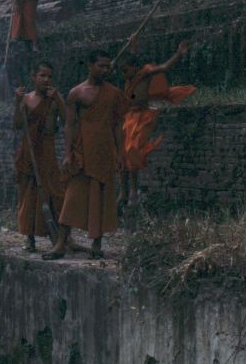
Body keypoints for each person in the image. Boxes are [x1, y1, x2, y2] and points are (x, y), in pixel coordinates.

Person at [44, 50, 125, 260]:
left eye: (108, 66)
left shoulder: (114, 93)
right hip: (82, 150)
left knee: (101, 197)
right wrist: (68, 153)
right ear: (90, 66)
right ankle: (61, 243)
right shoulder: (76, 93)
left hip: (104, 150)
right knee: (72, 196)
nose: (106, 70)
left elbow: (117, 125)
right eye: (101, 66)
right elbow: (70, 125)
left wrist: (120, 153)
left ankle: (97, 245)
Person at [119, 38, 195, 209]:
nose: (124, 75)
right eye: (122, 72)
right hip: (129, 117)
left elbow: (164, 67)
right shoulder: (128, 79)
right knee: (122, 153)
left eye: (126, 71)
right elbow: (132, 56)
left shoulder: (144, 73)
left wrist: (178, 53)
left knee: (133, 150)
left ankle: (132, 191)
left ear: (134, 68)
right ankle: (123, 192)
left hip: (144, 117)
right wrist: (133, 44)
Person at [14, 62, 66, 252]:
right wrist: (16, 102)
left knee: (55, 191)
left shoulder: (54, 98)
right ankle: (30, 239)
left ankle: (60, 238)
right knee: (28, 195)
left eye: (49, 76)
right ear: (33, 77)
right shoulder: (26, 99)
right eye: (42, 76)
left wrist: (58, 100)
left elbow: (68, 120)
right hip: (28, 151)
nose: (46, 80)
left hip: (47, 150)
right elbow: (18, 125)